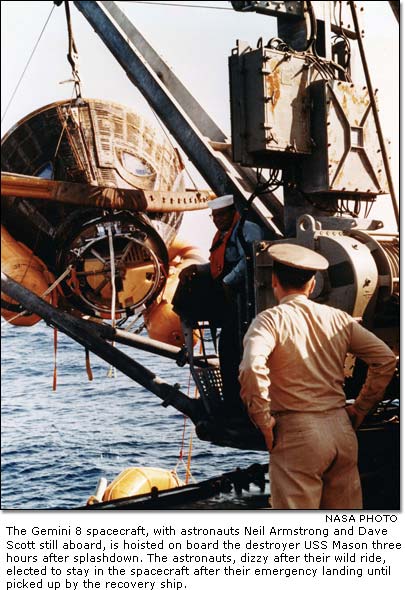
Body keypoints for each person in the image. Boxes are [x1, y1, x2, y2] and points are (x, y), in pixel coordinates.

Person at [239, 243, 397, 509]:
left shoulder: (269, 321)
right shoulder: (339, 319)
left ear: (274, 280)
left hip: (297, 435)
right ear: (312, 284)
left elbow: (251, 367)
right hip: (342, 432)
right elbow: (385, 360)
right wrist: (359, 409)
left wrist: (263, 421)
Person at [173, 194, 263, 417]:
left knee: (230, 350)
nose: (216, 220)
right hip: (228, 295)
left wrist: (228, 281)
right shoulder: (223, 234)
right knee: (188, 284)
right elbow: (218, 263)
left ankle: (235, 405)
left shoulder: (246, 229)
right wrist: (196, 269)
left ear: (233, 212)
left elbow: (251, 258)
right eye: (213, 216)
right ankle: (185, 329)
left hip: (244, 300)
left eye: (220, 215)